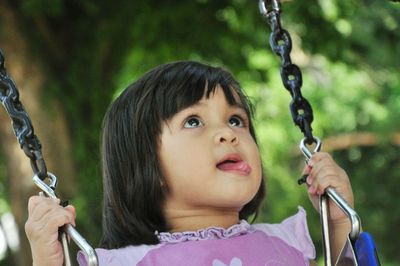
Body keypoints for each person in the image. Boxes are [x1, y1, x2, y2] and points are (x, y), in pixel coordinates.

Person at [25, 61, 354, 266]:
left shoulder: (284, 245)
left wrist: (338, 222)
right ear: (146, 164)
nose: (227, 133)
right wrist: (46, 259)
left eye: (237, 120)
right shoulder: (129, 263)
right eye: (194, 121)